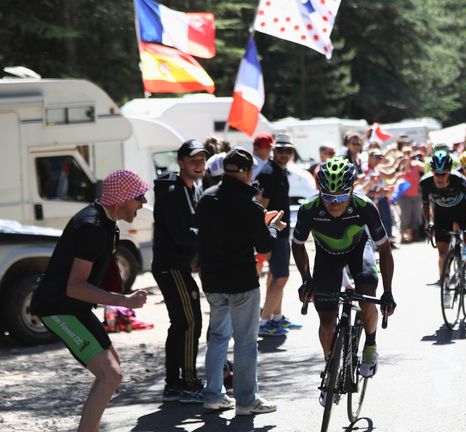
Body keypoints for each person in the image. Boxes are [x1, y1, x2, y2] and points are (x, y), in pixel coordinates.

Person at [30, 169, 150, 432]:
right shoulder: (93, 226)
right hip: (58, 308)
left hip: (74, 307)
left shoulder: (106, 222)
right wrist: (123, 301)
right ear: (122, 198)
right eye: (139, 197)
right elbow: (74, 287)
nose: (143, 203)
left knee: (113, 370)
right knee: (111, 375)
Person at [292, 157, 396, 399]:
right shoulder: (309, 209)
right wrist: (306, 279)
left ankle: (370, 344)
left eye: (341, 196)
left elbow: (385, 249)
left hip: (358, 251)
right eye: (328, 197)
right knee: (326, 320)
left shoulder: (364, 206)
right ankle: (330, 370)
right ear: (320, 192)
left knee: (368, 297)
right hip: (326, 257)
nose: (335, 203)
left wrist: (388, 291)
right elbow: (297, 246)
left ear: (352, 190)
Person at [196, 148, 286, 414]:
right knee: (245, 341)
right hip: (241, 281)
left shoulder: (207, 198)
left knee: (217, 337)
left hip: (212, 279)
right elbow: (264, 246)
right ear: (247, 172)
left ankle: (213, 395)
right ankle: (247, 401)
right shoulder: (250, 205)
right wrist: (271, 224)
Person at [152, 139, 208, 403]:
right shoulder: (173, 191)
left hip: (178, 266)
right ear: (181, 162)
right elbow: (181, 235)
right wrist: (211, 234)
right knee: (190, 322)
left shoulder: (191, 189)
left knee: (180, 324)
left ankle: (173, 384)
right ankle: (187, 382)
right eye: (194, 160)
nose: (199, 165)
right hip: (170, 266)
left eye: (202, 160)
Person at [257, 133, 299, 336]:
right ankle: (264, 322)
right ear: (273, 151)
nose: (284, 154)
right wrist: (267, 234)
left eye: (288, 151)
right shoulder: (268, 173)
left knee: (275, 276)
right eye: (280, 150)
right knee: (281, 276)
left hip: (279, 233)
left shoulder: (279, 171)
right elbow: (260, 208)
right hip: (274, 234)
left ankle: (276, 317)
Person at [421, 150, 466, 285]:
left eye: (443, 174)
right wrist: (429, 223)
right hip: (442, 214)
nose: (439, 178)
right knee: (442, 253)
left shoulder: (460, 181)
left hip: (462, 211)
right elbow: (425, 205)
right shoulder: (426, 183)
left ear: (449, 172)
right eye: (436, 174)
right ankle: (445, 285)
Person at [396, 145, 425, 243]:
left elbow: (426, 168)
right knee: (405, 216)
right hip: (404, 196)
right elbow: (404, 170)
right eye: (406, 153)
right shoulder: (401, 165)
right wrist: (406, 160)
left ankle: (412, 236)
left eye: (409, 153)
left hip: (416, 194)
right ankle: (402, 236)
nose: (408, 155)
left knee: (415, 216)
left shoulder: (416, 164)